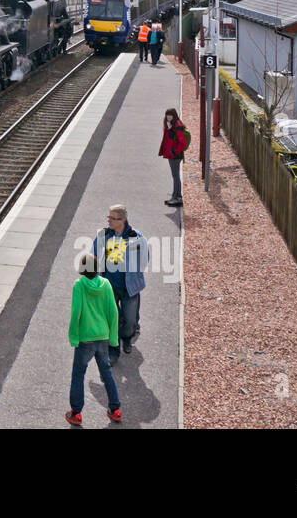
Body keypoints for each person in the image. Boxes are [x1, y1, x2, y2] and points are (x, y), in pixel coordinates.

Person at [65, 252, 122, 426]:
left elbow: (76, 312)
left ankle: (76, 412)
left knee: (78, 375)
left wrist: (73, 336)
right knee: (106, 373)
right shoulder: (105, 284)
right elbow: (113, 313)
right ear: (97, 269)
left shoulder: (79, 285)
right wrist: (113, 339)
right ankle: (115, 409)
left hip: (85, 339)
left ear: (82, 269)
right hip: (103, 337)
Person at [93, 204, 148, 361]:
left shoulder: (136, 237)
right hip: (109, 285)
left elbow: (145, 259)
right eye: (108, 217)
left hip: (129, 287)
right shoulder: (104, 235)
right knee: (112, 319)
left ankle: (127, 337)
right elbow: (93, 255)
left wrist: (134, 274)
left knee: (130, 321)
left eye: (112, 218)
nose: (109, 220)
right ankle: (113, 350)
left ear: (122, 220)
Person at [160, 108, 190, 206]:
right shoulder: (170, 125)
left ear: (174, 115)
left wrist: (173, 152)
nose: (168, 117)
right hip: (171, 155)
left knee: (176, 176)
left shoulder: (177, 126)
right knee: (175, 176)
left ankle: (178, 197)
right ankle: (174, 196)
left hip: (175, 156)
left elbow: (182, 143)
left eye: (170, 115)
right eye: (167, 115)